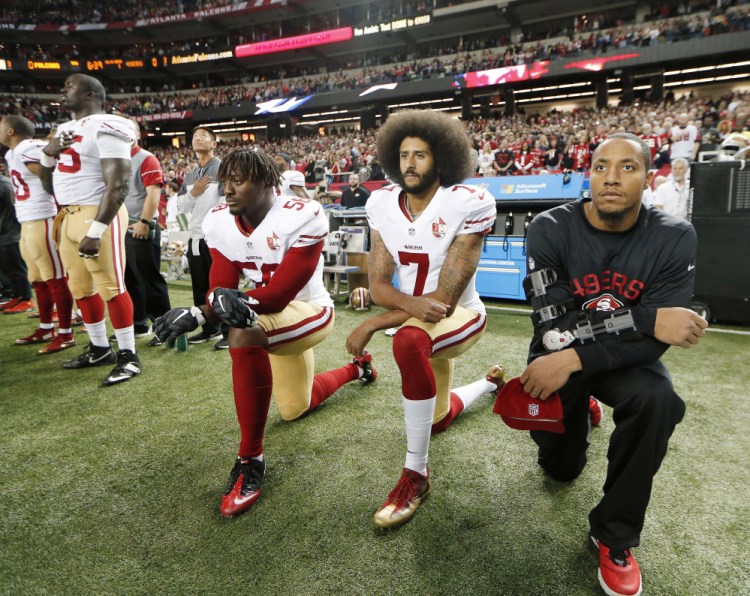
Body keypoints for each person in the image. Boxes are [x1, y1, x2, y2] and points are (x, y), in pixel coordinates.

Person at [521, 133, 707, 596]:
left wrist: (577, 355)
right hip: (558, 357)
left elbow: (652, 347)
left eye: (628, 167)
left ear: (648, 177)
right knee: (560, 471)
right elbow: (552, 329)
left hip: (608, 360)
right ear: (589, 173)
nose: (611, 177)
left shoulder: (674, 236)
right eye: (601, 166)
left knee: (658, 398)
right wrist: (646, 318)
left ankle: (614, 534)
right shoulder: (549, 227)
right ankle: (581, 409)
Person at [153, 148, 377, 518]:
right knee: (295, 408)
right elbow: (220, 286)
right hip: (269, 315)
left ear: (267, 183)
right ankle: (358, 368)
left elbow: (277, 297)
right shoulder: (220, 222)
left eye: (237, 181)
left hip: (309, 311)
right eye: (226, 181)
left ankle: (250, 459)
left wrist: (206, 312)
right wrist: (203, 310)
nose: (227, 190)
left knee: (242, 332)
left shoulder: (302, 216)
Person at [345, 110, 499, 530]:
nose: (410, 163)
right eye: (404, 154)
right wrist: (400, 306)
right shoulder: (380, 203)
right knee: (437, 420)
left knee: (407, 342)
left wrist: (373, 323)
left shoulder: (467, 202)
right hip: (420, 315)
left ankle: (416, 474)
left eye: (421, 155)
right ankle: (489, 382)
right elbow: (377, 285)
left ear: (442, 159)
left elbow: (444, 302)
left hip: (461, 313)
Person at [38, 74, 141, 386]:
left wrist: (97, 229)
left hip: (96, 213)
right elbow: (48, 185)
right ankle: (99, 348)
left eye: (69, 85)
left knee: (111, 285)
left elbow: (119, 183)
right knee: (80, 288)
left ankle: (128, 355)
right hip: (67, 214)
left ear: (91, 94)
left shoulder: (109, 123)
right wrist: (47, 153)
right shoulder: (65, 130)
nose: (62, 89)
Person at [0, 115, 76, 351]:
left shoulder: (27, 148)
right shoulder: (12, 153)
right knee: (37, 279)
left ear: (11, 131)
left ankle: (65, 333)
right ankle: (45, 327)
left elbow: (49, 176)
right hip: (27, 221)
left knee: (55, 278)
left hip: (43, 218)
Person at [121, 118, 171, 345]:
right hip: (122, 226)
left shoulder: (146, 158)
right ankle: (139, 323)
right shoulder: (115, 159)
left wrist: (144, 220)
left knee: (149, 278)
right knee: (129, 279)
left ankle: (165, 327)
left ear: (138, 134)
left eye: (128, 129)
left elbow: (153, 193)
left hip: (140, 226)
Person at [176, 126, 223, 344]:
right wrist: (193, 193)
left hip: (216, 236)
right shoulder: (191, 175)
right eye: (195, 136)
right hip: (195, 236)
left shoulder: (222, 168)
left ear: (214, 143)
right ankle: (210, 328)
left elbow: (226, 202)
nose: (198, 139)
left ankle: (230, 329)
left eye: (203, 136)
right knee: (200, 286)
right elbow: (181, 206)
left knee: (220, 285)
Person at [0, 172, 33, 314]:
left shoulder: (4, 185)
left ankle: (26, 299)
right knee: (9, 268)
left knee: (17, 268)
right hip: (5, 232)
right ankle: (16, 296)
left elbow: (14, 207)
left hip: (11, 232)